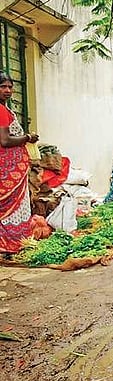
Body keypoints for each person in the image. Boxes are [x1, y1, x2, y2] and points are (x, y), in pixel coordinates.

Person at [0, 71, 40, 254]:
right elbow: (5, 141)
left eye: (10, 86)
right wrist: (28, 137)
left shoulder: (5, 109)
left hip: (12, 168)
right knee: (9, 208)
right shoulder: (0, 110)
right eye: (2, 86)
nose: (7, 90)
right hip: (8, 170)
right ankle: (11, 243)